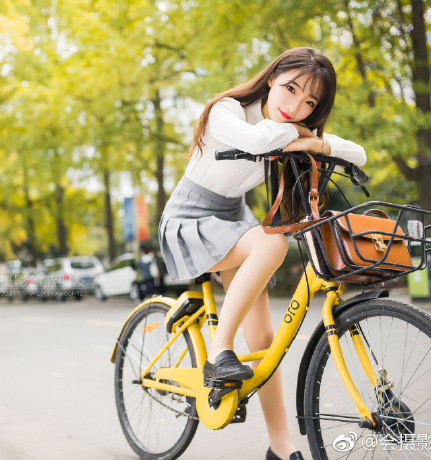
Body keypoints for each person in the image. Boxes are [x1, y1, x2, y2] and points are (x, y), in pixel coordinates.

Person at [158, 47, 366, 460]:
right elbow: (256, 140)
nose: (295, 107)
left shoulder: (288, 127)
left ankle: (281, 447)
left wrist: (318, 144)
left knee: (266, 342)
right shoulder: (227, 111)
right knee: (272, 242)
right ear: (272, 77)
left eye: (309, 103)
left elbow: (358, 154)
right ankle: (219, 352)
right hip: (188, 220)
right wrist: (303, 136)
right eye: (290, 89)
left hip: (234, 222)